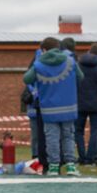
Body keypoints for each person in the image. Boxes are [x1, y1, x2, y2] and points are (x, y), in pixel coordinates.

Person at [23, 36, 80, 176]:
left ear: (43, 49)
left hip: (48, 108)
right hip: (69, 106)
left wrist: (38, 64)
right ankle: (71, 166)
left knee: (51, 138)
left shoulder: (39, 64)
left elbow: (27, 79)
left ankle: (54, 166)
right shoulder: (70, 61)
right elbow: (80, 77)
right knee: (68, 136)